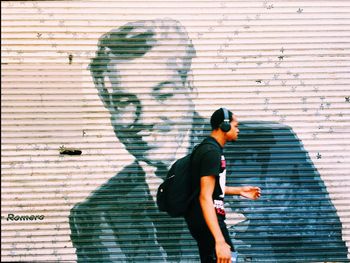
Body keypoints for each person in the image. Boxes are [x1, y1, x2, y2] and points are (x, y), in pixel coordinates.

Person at [69, 18, 348, 262]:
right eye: (125, 103)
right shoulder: (95, 216)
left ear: (189, 86)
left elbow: (324, 253)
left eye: (162, 95)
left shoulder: (269, 150)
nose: (146, 119)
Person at [185, 108, 261, 263]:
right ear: (225, 126)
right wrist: (219, 241)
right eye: (235, 125)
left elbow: (209, 189)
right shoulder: (211, 152)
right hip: (209, 222)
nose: (238, 130)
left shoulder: (210, 149)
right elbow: (205, 196)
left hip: (205, 221)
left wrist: (239, 191)